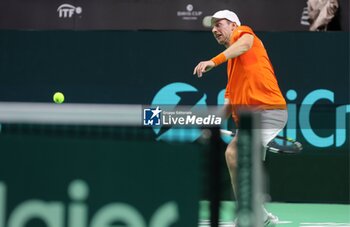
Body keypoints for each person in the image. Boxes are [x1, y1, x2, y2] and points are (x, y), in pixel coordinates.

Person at [193, 10, 288, 226]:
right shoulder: (232, 66)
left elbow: (245, 43)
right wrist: (212, 124)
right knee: (239, 158)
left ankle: (249, 211)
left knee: (235, 153)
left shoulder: (244, 34)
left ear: (234, 25)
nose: (215, 29)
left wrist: (213, 61)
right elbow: (229, 103)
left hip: (268, 111)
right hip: (251, 118)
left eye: (220, 24)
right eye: (213, 27)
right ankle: (257, 212)